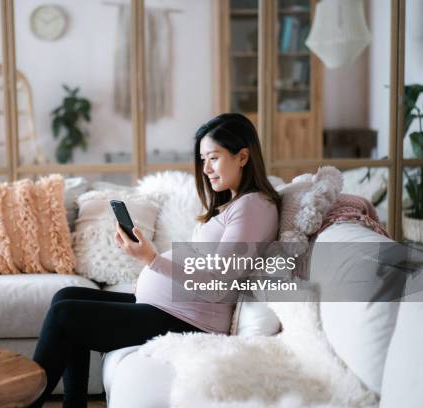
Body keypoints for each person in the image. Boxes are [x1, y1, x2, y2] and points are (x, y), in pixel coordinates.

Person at [29, 113, 280, 408]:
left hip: (192, 321)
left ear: (243, 156)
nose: (206, 169)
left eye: (213, 158)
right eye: (202, 160)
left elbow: (219, 281)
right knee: (65, 296)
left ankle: (27, 404)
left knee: (65, 316)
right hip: (173, 308)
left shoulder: (253, 206)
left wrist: (152, 259)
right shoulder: (234, 204)